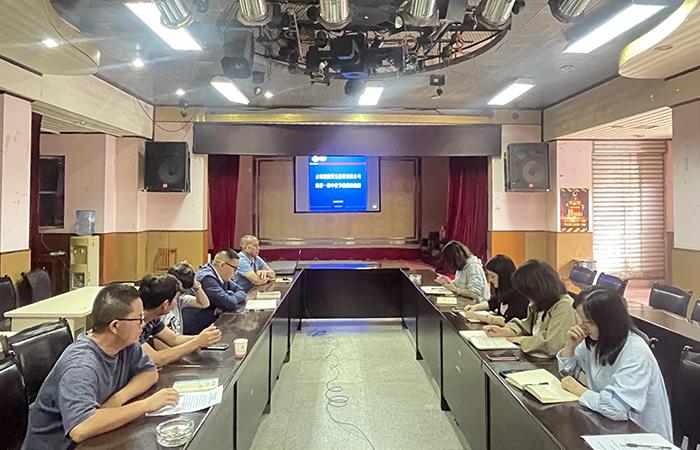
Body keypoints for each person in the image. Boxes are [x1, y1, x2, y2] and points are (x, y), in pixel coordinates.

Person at [22, 284, 180, 449]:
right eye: (139, 319)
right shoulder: (81, 365)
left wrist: (118, 398)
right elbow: (81, 428)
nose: (143, 324)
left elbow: (149, 372)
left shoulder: (125, 344)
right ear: (115, 326)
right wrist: (146, 405)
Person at [558, 289, 672, 441]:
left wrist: (579, 390)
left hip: (641, 436)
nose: (582, 327)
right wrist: (570, 347)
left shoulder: (635, 352)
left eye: (588, 322)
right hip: (607, 425)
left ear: (607, 321)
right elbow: (567, 374)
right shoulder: (595, 339)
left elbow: (616, 408)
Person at [483, 259, 579, 358]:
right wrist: (506, 331)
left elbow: (553, 344)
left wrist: (520, 340)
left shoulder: (564, 306)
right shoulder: (540, 303)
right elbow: (527, 325)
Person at [138, 274, 222, 367]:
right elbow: (156, 359)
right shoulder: (134, 323)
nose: (176, 302)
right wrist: (197, 342)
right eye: (175, 298)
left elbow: (174, 339)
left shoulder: (154, 319)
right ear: (166, 304)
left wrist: (205, 337)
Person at [183, 249, 247, 334]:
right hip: (196, 328)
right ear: (223, 265)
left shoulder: (220, 275)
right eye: (235, 269)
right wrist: (230, 296)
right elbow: (229, 303)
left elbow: (241, 291)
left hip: (210, 324)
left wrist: (230, 295)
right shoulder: (207, 278)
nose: (235, 273)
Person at [463, 254, 528, 326]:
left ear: (503, 276)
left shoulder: (519, 295)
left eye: (493, 276)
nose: (490, 280)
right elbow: (492, 303)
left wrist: (477, 316)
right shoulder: (502, 291)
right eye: (489, 276)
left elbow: (507, 321)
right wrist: (475, 307)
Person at [164, 262, 210, 334]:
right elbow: (171, 339)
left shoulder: (179, 299)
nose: (177, 294)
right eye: (178, 290)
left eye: (182, 292)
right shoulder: (160, 302)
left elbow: (204, 304)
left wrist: (195, 285)